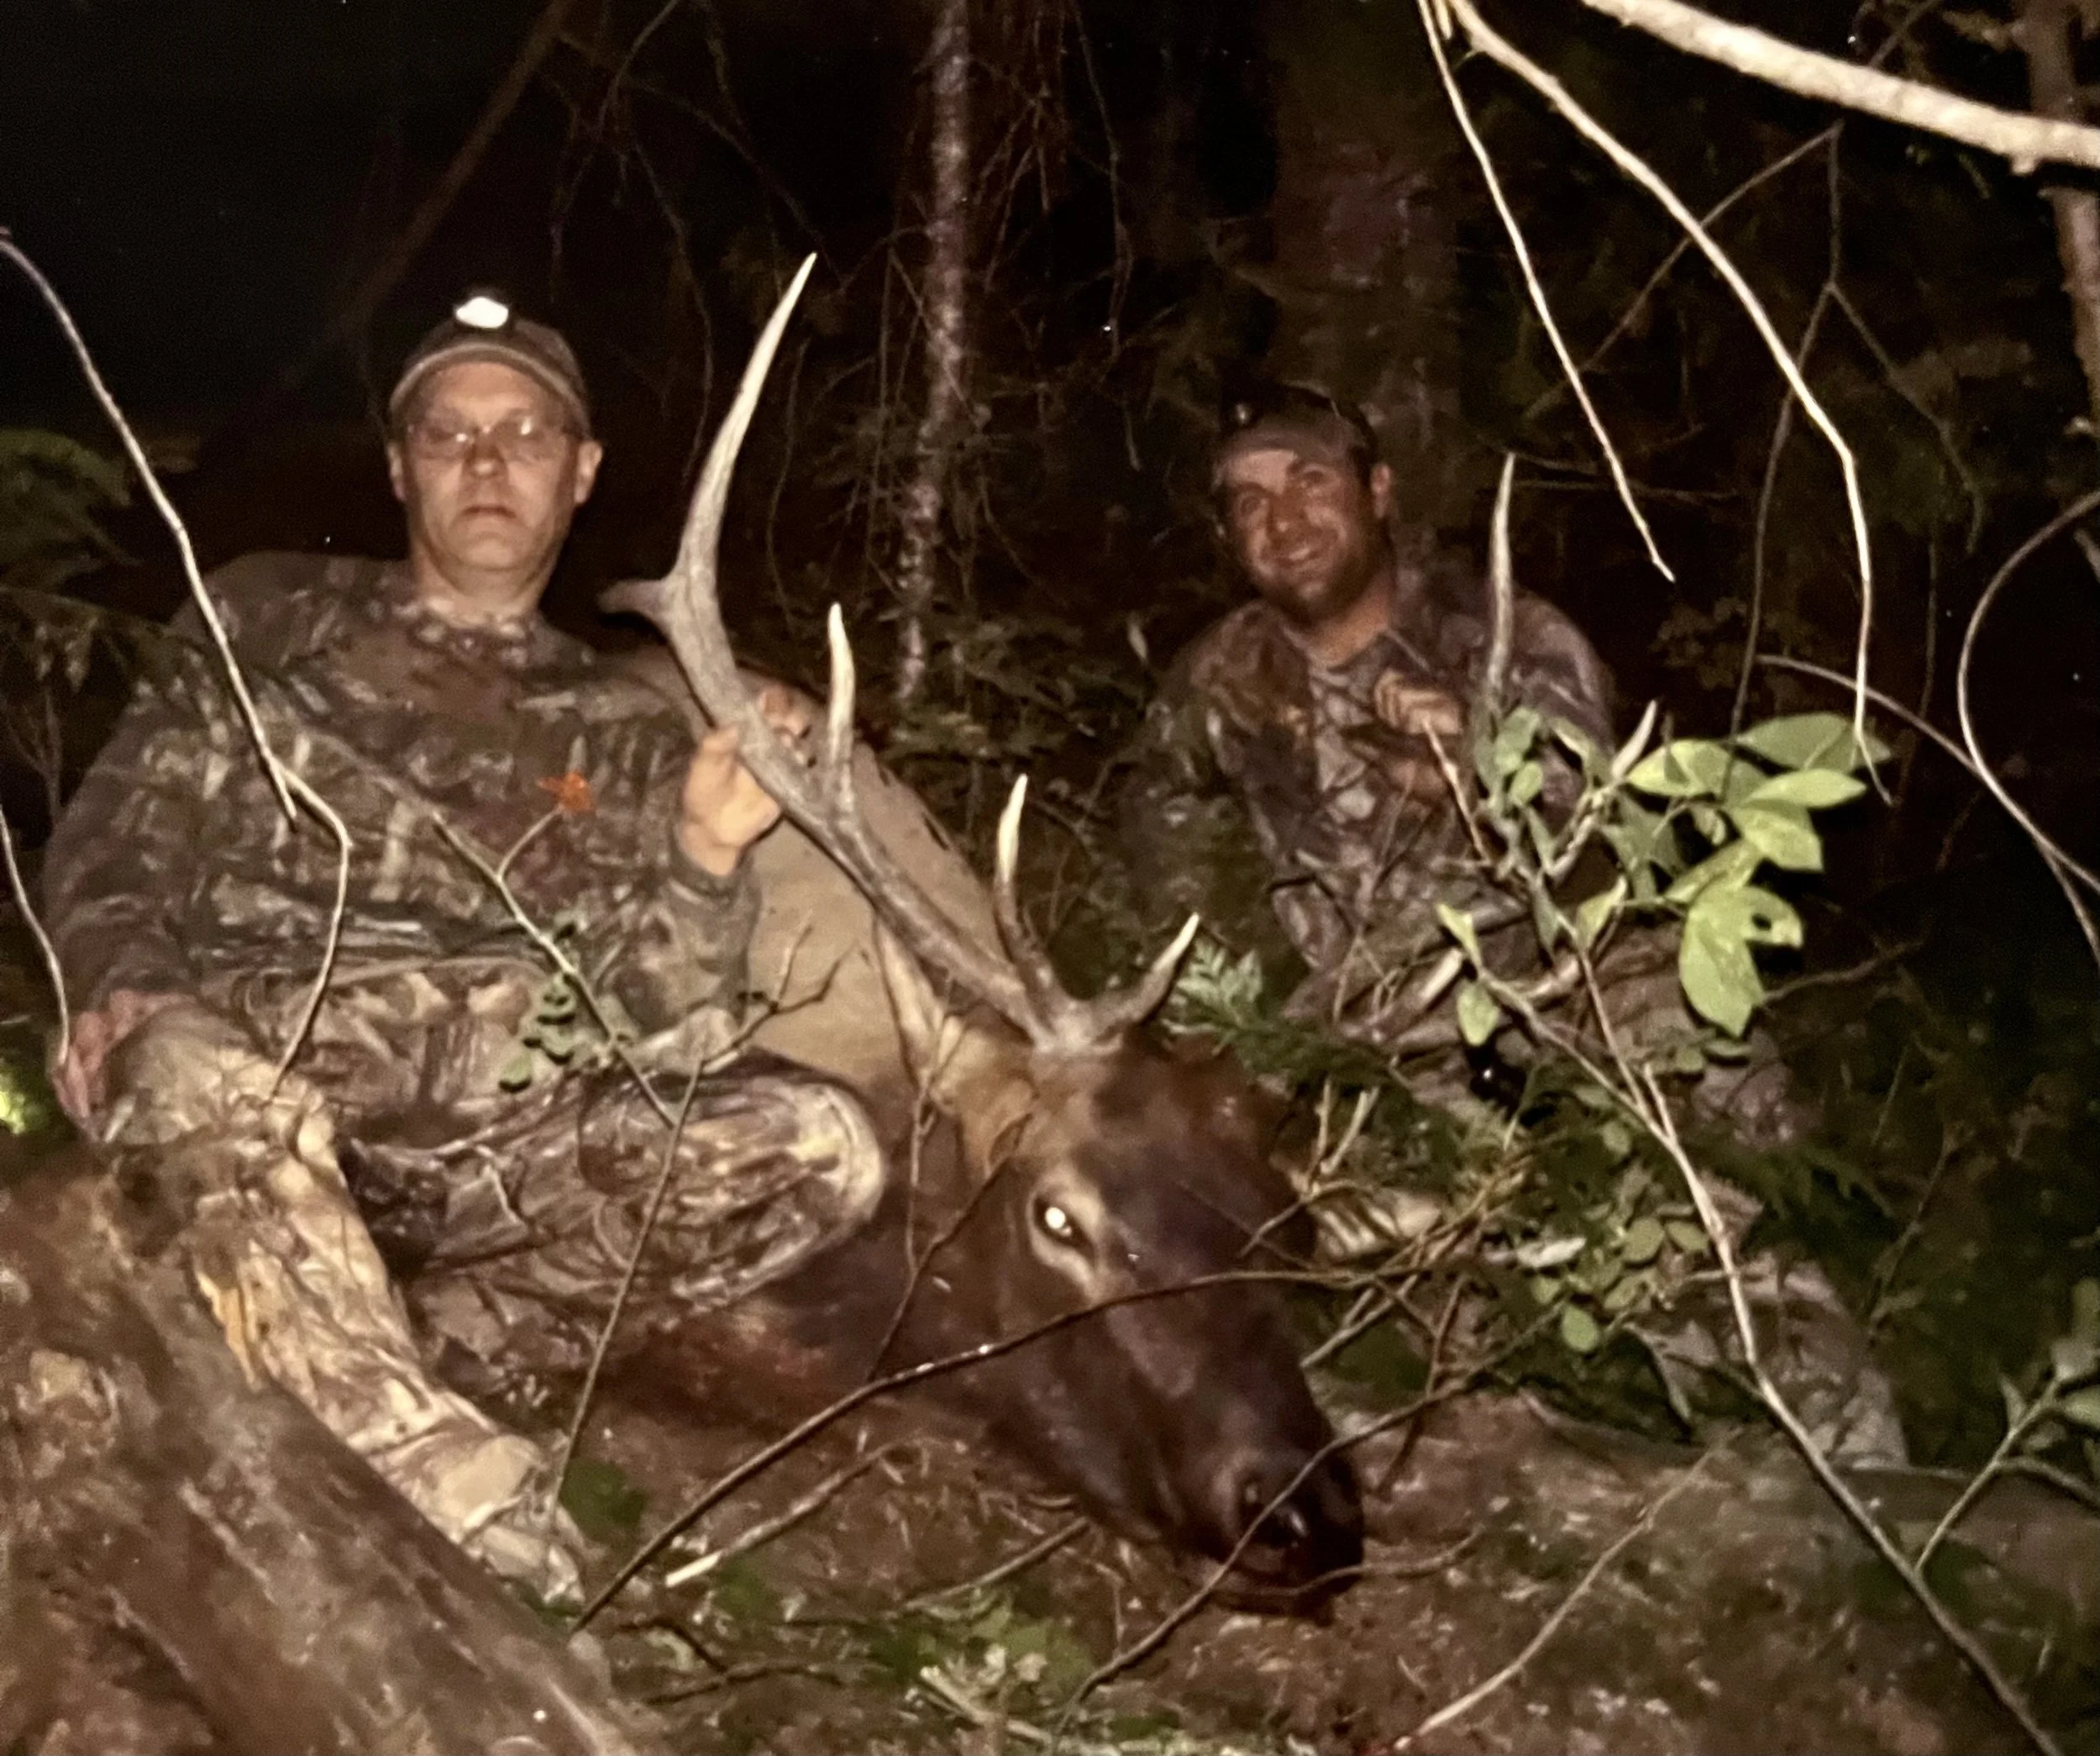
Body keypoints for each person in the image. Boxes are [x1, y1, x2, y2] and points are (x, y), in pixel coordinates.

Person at [39, 299, 884, 1595]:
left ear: (581, 471)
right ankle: (460, 1491)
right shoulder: (266, 612)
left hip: (488, 1154)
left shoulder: (629, 723)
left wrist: (708, 852)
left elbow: (649, 1021)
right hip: (250, 1082)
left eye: (526, 433)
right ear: (400, 467)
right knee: (209, 1076)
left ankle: (388, 1334)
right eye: (450, 433)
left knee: (822, 1149)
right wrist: (126, 992)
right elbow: (112, 839)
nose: (487, 463)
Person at [1121, 383, 1618, 1067]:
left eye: (1312, 483)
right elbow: (1167, 857)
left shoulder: (1508, 637)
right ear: (1230, 540)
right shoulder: (1214, 680)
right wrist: (1265, 1012)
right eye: (1250, 504)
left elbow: (1606, 836)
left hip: (1559, 998)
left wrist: (1479, 772)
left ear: (1378, 491)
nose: (1285, 524)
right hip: (1354, 1040)